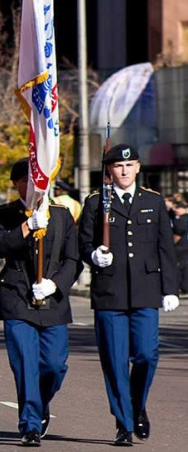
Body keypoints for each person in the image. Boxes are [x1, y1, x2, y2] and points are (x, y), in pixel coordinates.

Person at [78, 143, 180, 445]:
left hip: (145, 290)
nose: (124, 171)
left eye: (129, 165)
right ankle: (124, 423)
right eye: (118, 166)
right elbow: (83, 243)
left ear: (137, 168)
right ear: (110, 170)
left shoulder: (153, 201)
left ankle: (137, 405)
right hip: (110, 292)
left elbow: (165, 248)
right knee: (114, 360)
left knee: (147, 354)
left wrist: (169, 288)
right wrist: (94, 255)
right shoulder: (97, 202)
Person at [0, 158, 81, 446]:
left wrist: (56, 284)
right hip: (17, 297)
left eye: (36, 180)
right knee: (26, 364)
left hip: (52, 298)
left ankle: (40, 402)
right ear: (16, 184)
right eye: (25, 181)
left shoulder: (62, 214)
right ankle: (29, 423)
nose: (31, 186)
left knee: (54, 365)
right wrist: (27, 226)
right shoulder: (4, 213)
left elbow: (72, 259)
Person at [171, 201, 188, 295]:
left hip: (181, 247)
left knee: (181, 267)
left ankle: (183, 286)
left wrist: (171, 245)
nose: (175, 210)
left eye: (177, 208)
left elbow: (178, 234)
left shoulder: (181, 220)